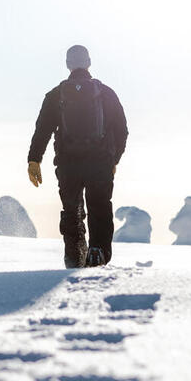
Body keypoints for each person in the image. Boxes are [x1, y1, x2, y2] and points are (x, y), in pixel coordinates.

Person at [27, 45, 128, 268]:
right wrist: (114, 160)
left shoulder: (55, 95)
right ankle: (97, 253)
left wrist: (34, 160)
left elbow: (42, 130)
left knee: (72, 210)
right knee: (100, 207)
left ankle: (74, 257)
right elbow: (122, 129)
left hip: (68, 163)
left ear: (68, 64)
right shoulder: (106, 93)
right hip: (100, 162)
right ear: (89, 62)